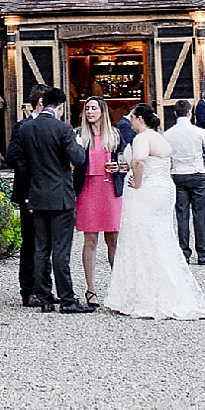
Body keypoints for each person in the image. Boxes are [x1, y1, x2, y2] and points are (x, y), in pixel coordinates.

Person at [99, 103, 205, 320]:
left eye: (132, 117)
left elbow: (139, 159)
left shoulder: (142, 138)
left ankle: (142, 295)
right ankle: (163, 288)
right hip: (163, 188)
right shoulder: (161, 137)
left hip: (146, 191)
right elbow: (164, 163)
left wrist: (137, 180)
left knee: (140, 236)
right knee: (160, 235)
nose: (130, 121)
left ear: (140, 119)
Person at [6, 87, 91, 313]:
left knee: (40, 249)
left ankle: (44, 298)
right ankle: (67, 300)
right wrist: (80, 146)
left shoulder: (26, 129)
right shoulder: (63, 129)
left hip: (36, 195)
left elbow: (21, 163)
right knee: (61, 250)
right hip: (60, 195)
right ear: (60, 107)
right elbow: (78, 159)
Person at [73, 96, 123, 305]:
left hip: (109, 188)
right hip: (88, 188)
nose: (90, 112)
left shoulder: (115, 135)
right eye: (87, 109)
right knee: (90, 240)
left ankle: (119, 287)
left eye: (94, 108)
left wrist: (119, 167)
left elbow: (125, 161)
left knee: (113, 240)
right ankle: (91, 289)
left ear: (102, 111)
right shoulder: (79, 135)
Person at [163, 101, 205, 265]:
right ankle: (202, 254)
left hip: (178, 175)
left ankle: (184, 253)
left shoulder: (168, 134)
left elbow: (163, 154)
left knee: (182, 216)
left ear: (175, 113)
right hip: (196, 173)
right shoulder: (197, 131)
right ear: (189, 113)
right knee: (199, 215)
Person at [7, 85, 48, 307]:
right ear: (40, 103)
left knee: (48, 243)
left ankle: (45, 288)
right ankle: (29, 290)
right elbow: (12, 157)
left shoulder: (56, 127)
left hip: (50, 192)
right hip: (30, 191)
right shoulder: (22, 127)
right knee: (31, 242)